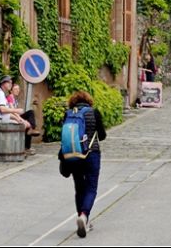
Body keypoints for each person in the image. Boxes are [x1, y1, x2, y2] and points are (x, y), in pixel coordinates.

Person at [58, 90, 106, 238]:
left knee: (79, 188)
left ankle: (82, 216)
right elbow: (102, 135)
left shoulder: (68, 114)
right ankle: (84, 216)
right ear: (89, 101)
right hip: (91, 153)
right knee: (91, 187)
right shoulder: (93, 112)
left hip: (73, 155)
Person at [9, 83, 41, 153]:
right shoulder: (10, 97)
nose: (17, 90)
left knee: (29, 124)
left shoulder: (15, 99)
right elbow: (12, 111)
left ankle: (27, 146)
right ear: (11, 91)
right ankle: (32, 129)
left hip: (16, 116)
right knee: (30, 113)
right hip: (11, 117)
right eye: (15, 89)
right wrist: (21, 119)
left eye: (18, 89)